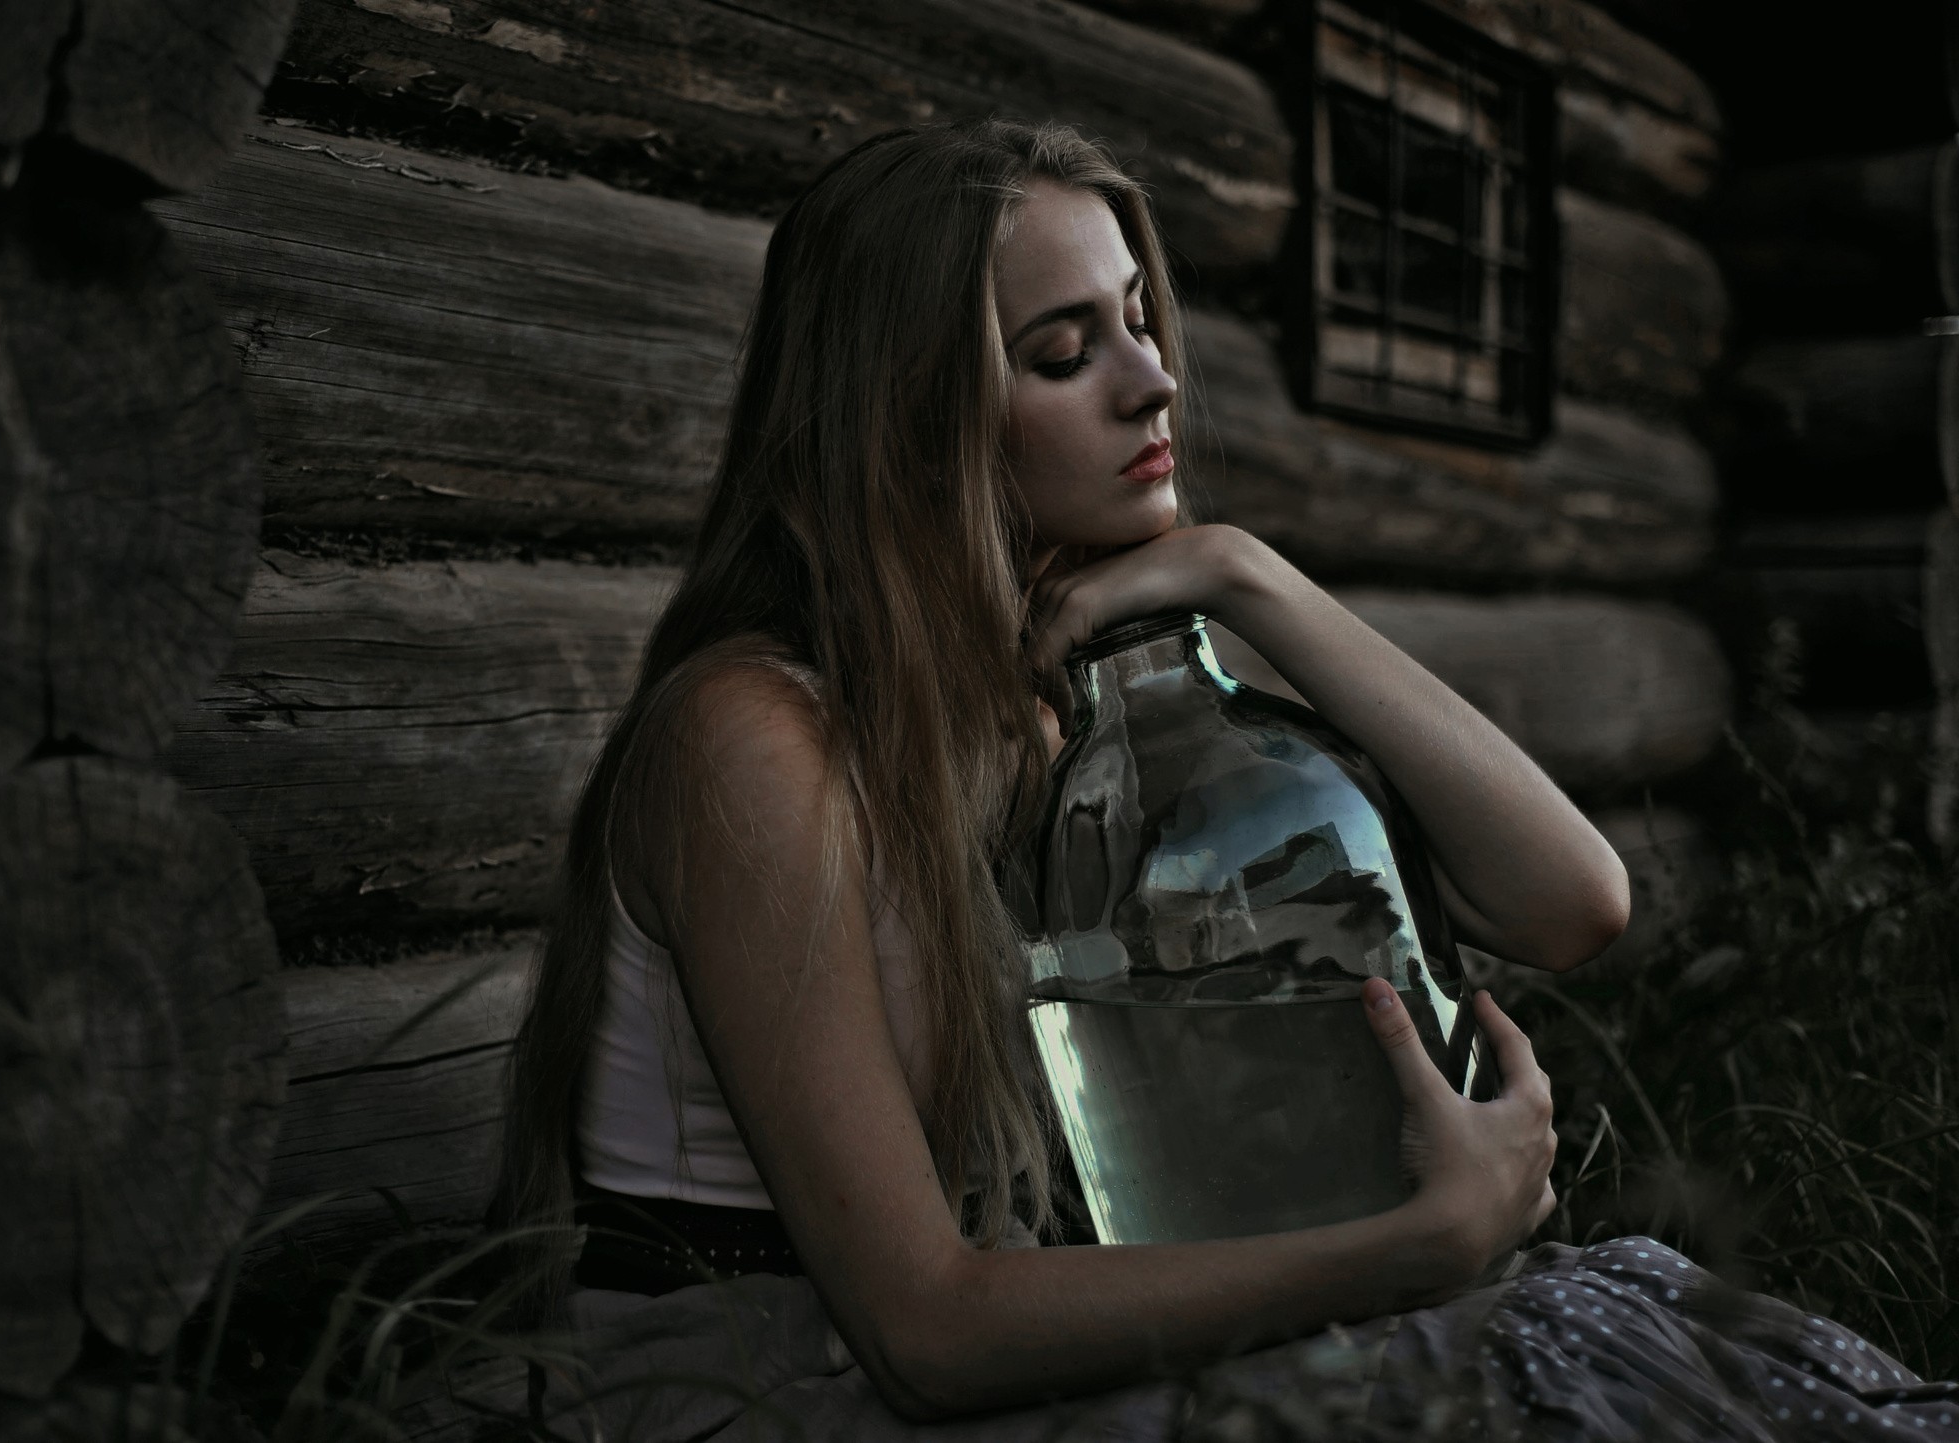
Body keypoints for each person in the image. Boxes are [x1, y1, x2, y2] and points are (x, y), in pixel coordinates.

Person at [494, 120, 1959, 1440]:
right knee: (1521, 1346)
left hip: (1006, 1337)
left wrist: (1254, 578)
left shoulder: (1054, 712)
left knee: (1613, 1308)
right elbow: (924, 1330)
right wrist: (1423, 1244)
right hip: (749, 1381)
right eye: (1065, 353)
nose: (1155, 379)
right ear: (907, 416)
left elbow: (1571, 900)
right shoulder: (752, 736)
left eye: (1139, 320)